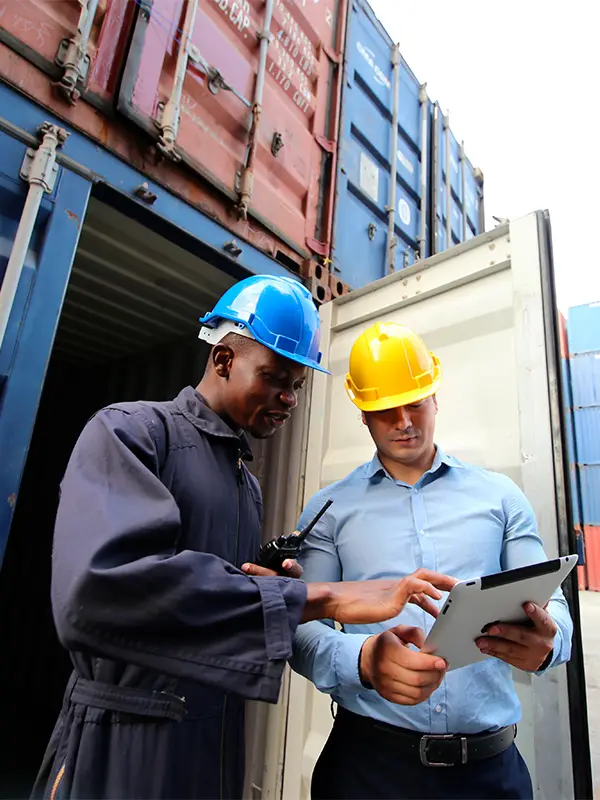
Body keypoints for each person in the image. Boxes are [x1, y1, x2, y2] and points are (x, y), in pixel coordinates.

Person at [32, 279, 455, 800]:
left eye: (297, 385)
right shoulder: (131, 432)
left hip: (214, 741)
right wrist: (317, 596)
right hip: (122, 745)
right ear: (224, 360)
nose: (289, 399)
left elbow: (203, 607)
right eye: (275, 379)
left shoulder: (245, 484)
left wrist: (264, 581)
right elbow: (96, 594)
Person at [290, 321, 574, 800]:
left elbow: (551, 599)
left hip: (490, 776)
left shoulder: (500, 497)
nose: (403, 420)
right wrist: (360, 659)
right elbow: (297, 623)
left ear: (435, 397)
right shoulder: (330, 510)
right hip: (368, 771)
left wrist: (550, 642)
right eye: (385, 410)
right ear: (363, 413)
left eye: (416, 403)